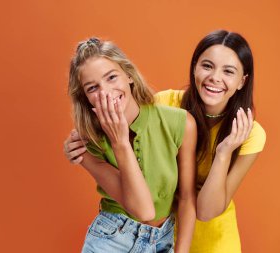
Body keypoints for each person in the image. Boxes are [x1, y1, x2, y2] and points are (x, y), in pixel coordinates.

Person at [64, 30, 266, 253]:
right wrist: (93, 145)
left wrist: (224, 152)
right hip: (127, 235)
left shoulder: (245, 133)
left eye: (228, 71)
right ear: (194, 67)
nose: (215, 77)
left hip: (204, 236)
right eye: (207, 66)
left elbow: (202, 208)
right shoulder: (164, 103)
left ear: (242, 81)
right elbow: (143, 208)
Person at [67, 37, 197, 253]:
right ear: (86, 98)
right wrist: (119, 142)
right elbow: (143, 210)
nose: (106, 91)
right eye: (92, 88)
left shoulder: (180, 123)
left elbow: (186, 198)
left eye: (111, 77)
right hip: (111, 240)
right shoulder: (91, 142)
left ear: (128, 75)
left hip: (162, 241)